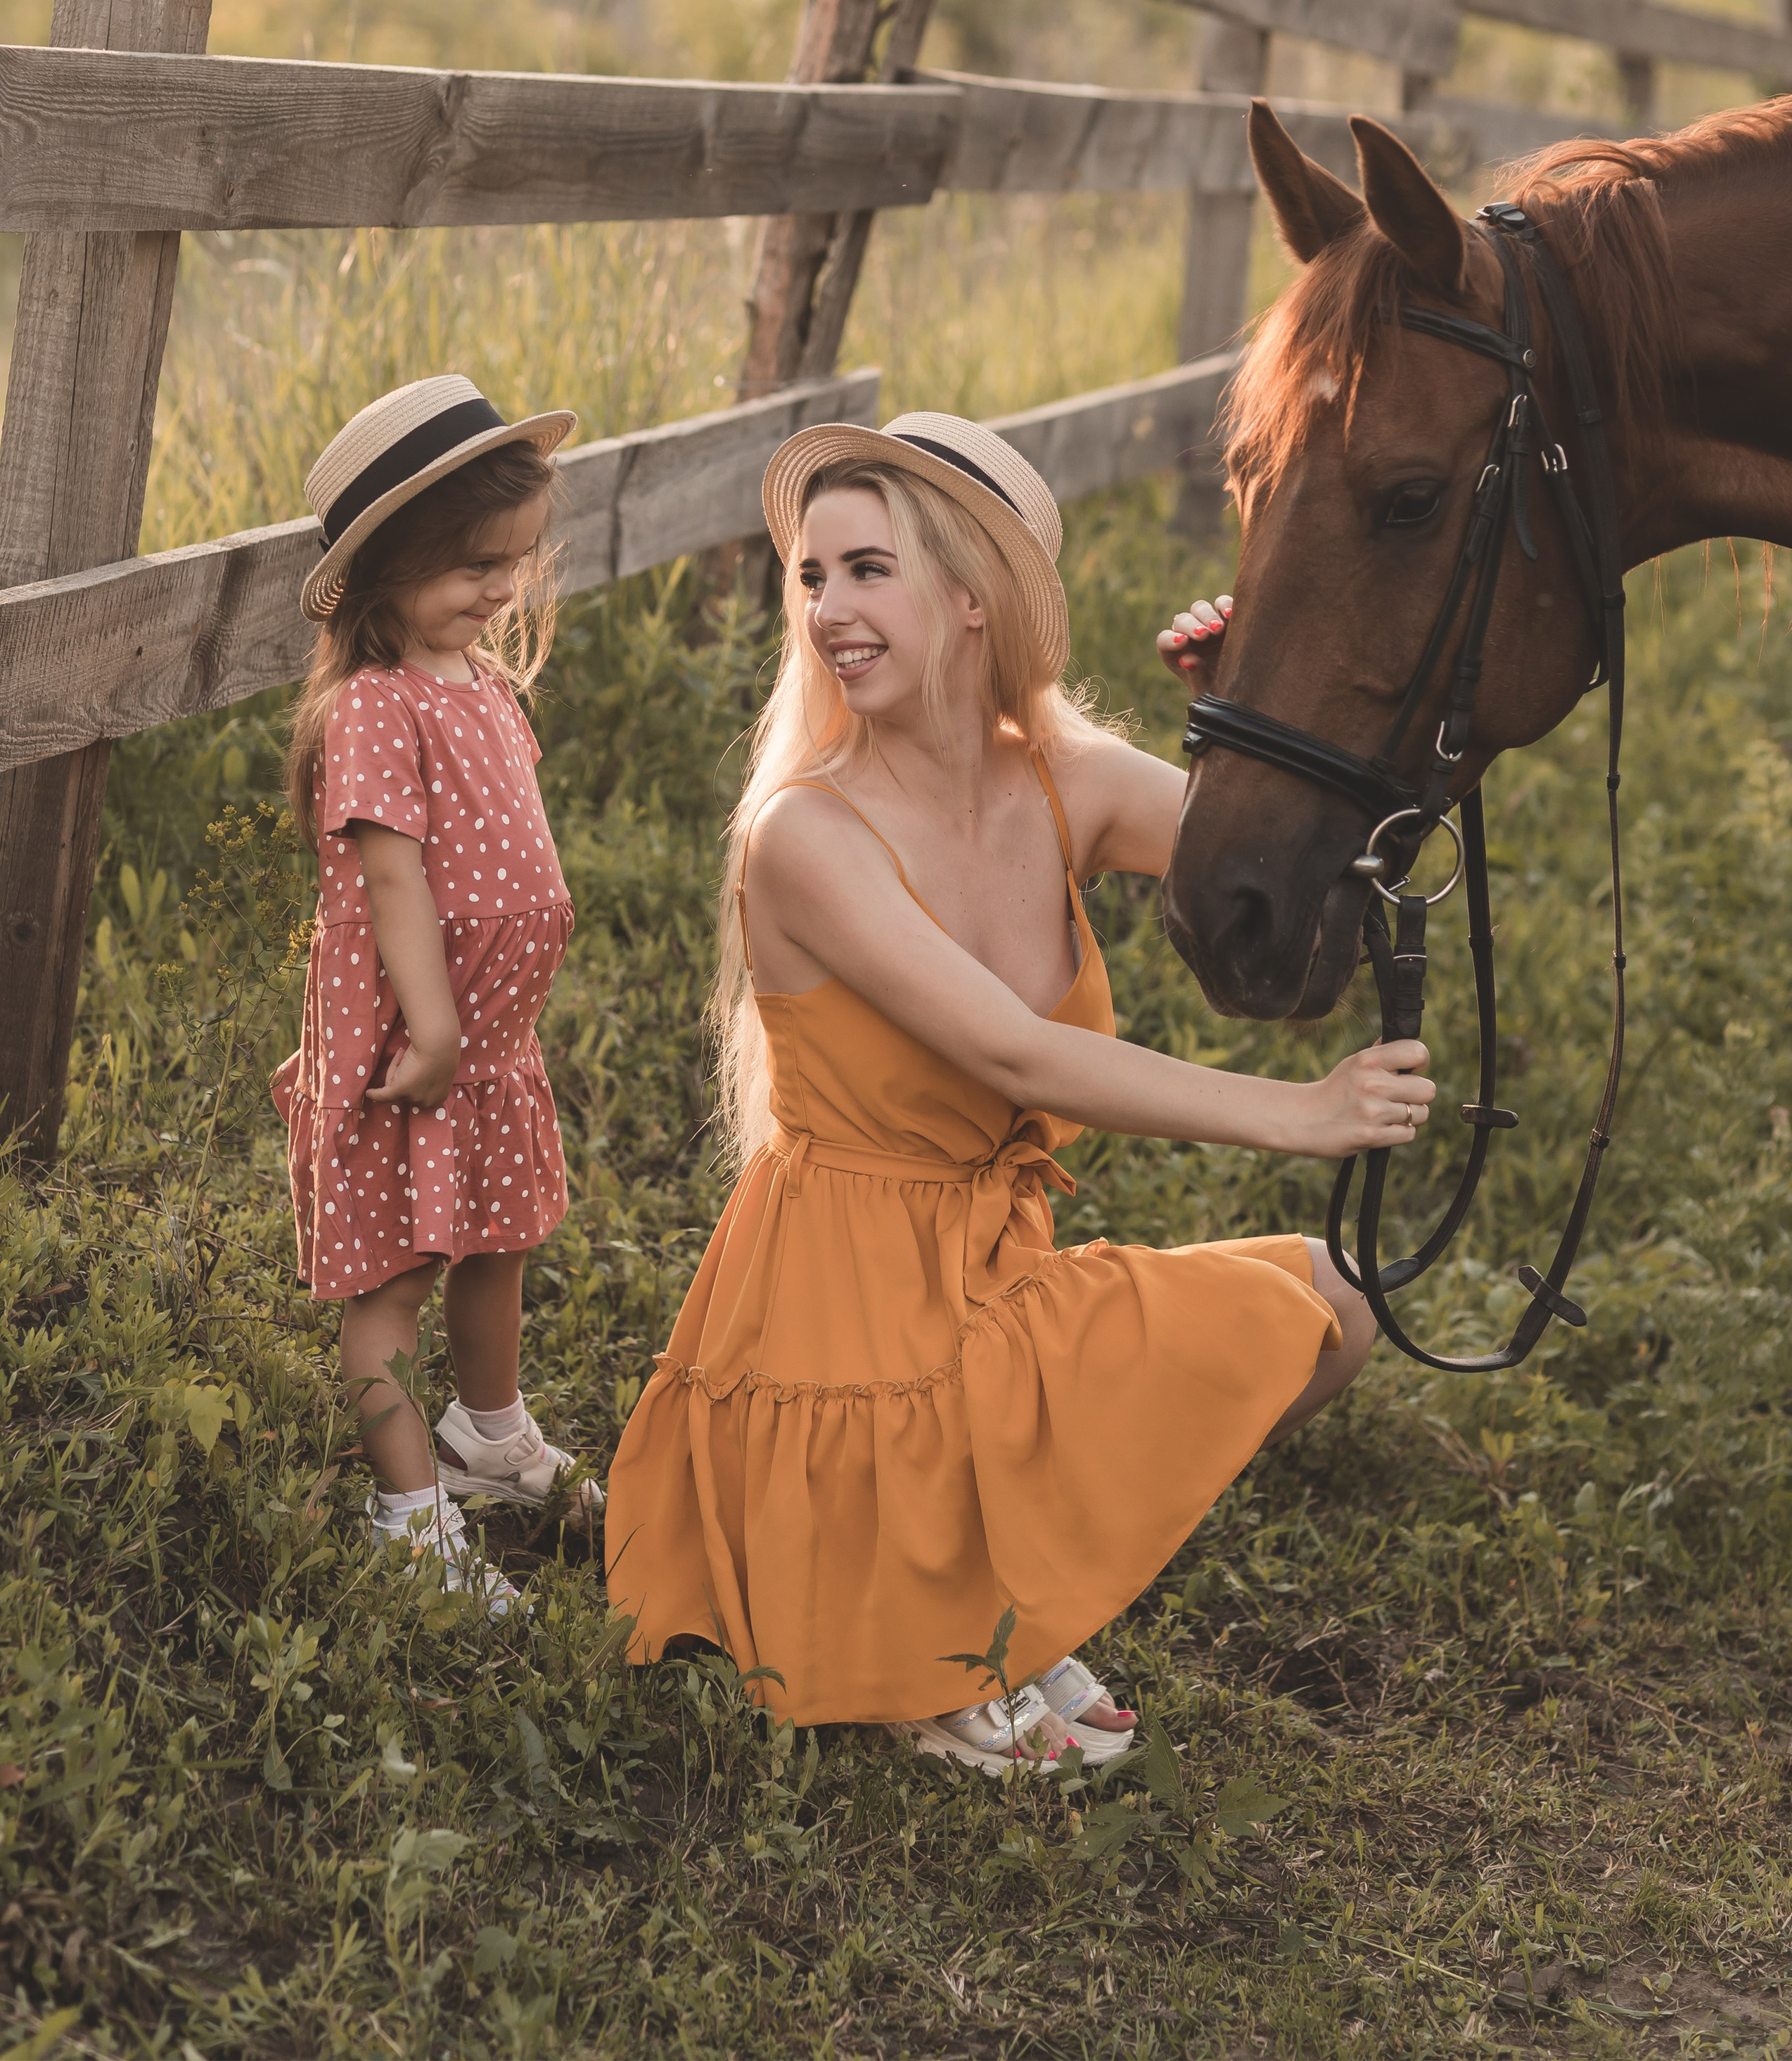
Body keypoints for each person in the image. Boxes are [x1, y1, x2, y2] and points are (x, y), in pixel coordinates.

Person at [603, 411, 1433, 1766]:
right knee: (1270, 1310)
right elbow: (1013, 1052)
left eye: (869, 570)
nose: (828, 610)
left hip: (998, 1277)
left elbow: (1336, 863)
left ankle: (1008, 1593)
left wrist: (1268, 713)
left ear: (972, 596)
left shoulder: (1067, 783)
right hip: (847, 1321)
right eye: (814, 577)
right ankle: (946, 1634)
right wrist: (1298, 1110)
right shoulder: (803, 831)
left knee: (1337, 1304)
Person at [274, 374, 596, 1616]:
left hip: (489, 1037)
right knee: (393, 1279)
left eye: (512, 561)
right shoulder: (371, 705)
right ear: (383, 572)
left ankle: (491, 1438)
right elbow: (395, 875)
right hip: (418, 1041)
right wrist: (441, 1024)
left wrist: (489, 1022)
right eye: (470, 566)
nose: (499, 588)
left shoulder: (483, 687)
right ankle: (409, 1514)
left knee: (499, 1239)